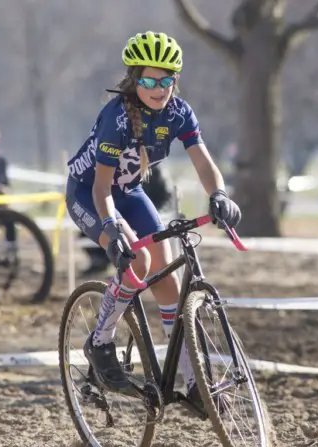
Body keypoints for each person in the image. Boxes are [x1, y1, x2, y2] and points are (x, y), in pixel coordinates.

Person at [65, 31, 241, 403]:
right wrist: (112, 230)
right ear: (134, 80)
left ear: (175, 80)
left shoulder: (179, 112)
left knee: (169, 282)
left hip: (128, 193)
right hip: (90, 194)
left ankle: (195, 384)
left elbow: (204, 164)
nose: (158, 88)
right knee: (138, 259)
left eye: (166, 80)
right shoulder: (118, 117)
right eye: (148, 80)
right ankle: (100, 341)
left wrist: (219, 194)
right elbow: (100, 189)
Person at [80, 165, 173, 276]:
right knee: (137, 258)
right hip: (109, 201)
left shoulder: (155, 172)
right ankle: (101, 262)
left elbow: (164, 197)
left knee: (159, 268)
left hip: (143, 205)